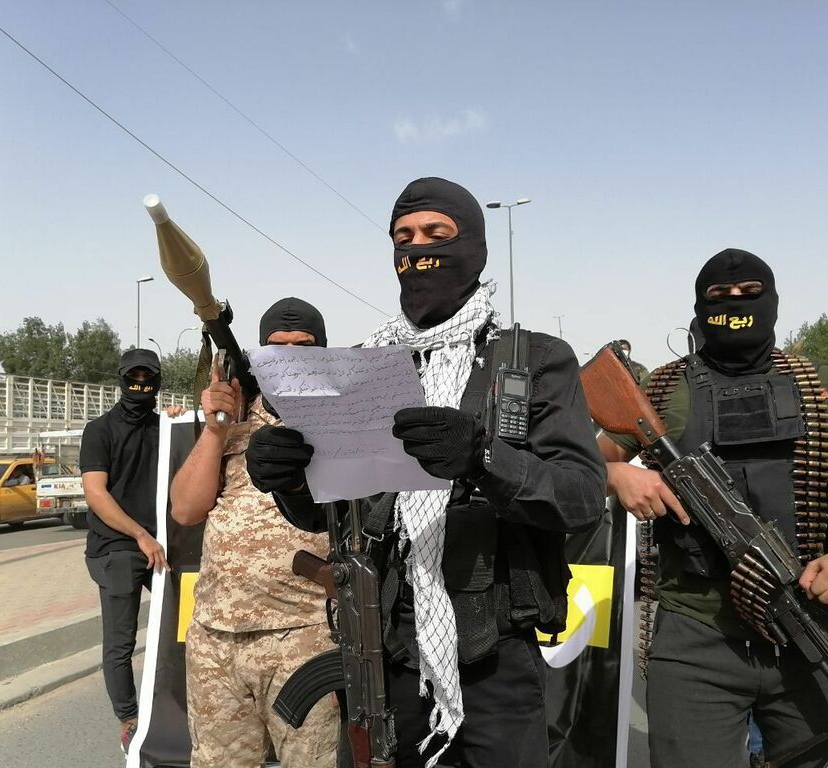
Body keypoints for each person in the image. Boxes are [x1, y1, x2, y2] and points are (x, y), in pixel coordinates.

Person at [245, 177, 605, 768]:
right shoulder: (366, 366)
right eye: (404, 238)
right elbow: (330, 510)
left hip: (496, 656)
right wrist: (287, 477)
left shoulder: (533, 360)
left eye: (437, 234)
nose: (418, 250)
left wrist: (483, 458)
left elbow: (581, 497)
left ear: (475, 247)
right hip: (386, 645)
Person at [599, 248, 828, 767]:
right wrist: (618, 475)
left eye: (750, 293)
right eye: (719, 295)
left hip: (813, 625)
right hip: (695, 633)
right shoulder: (661, 387)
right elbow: (584, 464)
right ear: (699, 306)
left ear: (772, 300)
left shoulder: (825, 385)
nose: (735, 304)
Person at [169, 298, 339, 768]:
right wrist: (215, 430)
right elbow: (185, 509)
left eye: (304, 346)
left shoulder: (339, 420)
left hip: (305, 634)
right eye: (277, 346)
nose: (289, 355)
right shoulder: (238, 412)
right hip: (216, 636)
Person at [81, 348, 183, 754]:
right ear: (122, 380)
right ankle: (130, 721)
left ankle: (180, 704)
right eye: (134, 377)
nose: (141, 384)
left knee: (186, 627)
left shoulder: (165, 427)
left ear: (157, 382)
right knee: (121, 643)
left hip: (161, 547)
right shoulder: (99, 430)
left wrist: (181, 424)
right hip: (117, 547)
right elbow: (95, 493)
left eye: (148, 378)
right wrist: (140, 535)